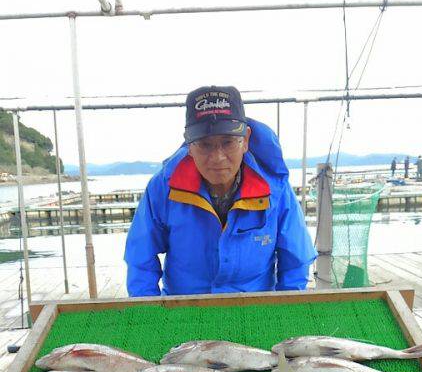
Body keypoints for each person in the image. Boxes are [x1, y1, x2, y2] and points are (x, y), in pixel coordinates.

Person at [125, 85, 317, 297]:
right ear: (189, 145)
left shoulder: (276, 191)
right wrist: (150, 313)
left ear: (245, 140)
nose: (217, 157)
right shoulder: (163, 188)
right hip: (183, 308)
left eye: (228, 143)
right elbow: (140, 259)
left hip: (255, 307)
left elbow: (296, 262)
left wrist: (283, 312)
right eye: (205, 145)